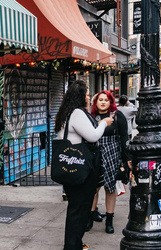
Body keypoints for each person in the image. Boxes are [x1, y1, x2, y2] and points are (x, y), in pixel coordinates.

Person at [55, 80, 114, 250]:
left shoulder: (66, 113)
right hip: (80, 167)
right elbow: (93, 136)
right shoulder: (77, 114)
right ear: (80, 96)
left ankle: (75, 243)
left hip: (71, 166)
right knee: (79, 209)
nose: (90, 97)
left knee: (76, 207)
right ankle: (72, 245)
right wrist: (104, 123)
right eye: (87, 94)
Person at [87, 90, 130, 234]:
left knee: (110, 188)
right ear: (96, 102)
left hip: (112, 155)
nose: (103, 102)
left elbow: (124, 139)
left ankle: (109, 220)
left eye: (106, 100)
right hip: (94, 154)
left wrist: (127, 159)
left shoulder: (117, 116)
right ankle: (90, 217)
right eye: (100, 100)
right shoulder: (90, 117)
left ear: (111, 102)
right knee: (93, 188)